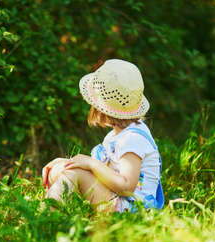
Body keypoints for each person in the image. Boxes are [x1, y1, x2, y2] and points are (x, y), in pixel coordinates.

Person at [42, 59, 164, 213]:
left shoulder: (133, 139)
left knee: (75, 174)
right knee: (60, 170)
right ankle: (57, 211)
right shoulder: (116, 135)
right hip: (117, 199)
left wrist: (91, 164)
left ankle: (44, 219)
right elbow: (106, 173)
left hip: (132, 209)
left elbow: (126, 187)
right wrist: (68, 162)